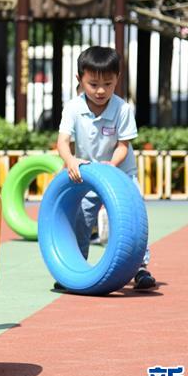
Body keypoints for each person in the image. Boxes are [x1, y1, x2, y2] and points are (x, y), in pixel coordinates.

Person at [56, 45, 156, 290]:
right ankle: (75, 266)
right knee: (81, 219)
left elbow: (123, 146)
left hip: (120, 174)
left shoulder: (122, 109)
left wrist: (111, 166)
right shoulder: (73, 108)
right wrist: (71, 161)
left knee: (132, 220)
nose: (101, 90)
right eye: (93, 84)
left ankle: (140, 268)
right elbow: (62, 142)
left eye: (108, 84)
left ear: (117, 80)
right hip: (89, 175)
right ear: (80, 79)